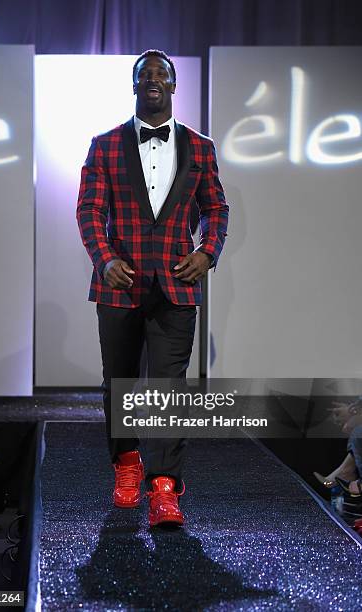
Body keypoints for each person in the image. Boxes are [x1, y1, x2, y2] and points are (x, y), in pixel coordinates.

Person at [76, 49, 228, 527]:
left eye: (163, 74)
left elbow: (216, 209)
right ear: (135, 85)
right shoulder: (104, 145)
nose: (155, 81)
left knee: (168, 389)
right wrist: (105, 260)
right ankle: (126, 466)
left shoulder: (201, 147)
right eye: (146, 75)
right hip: (119, 285)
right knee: (119, 386)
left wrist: (207, 253)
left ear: (174, 86)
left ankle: (164, 487)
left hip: (177, 284)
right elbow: (89, 211)